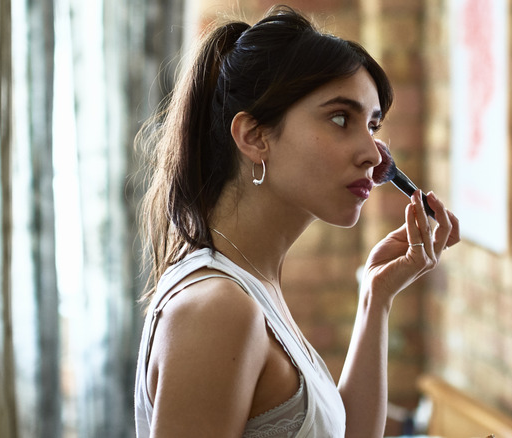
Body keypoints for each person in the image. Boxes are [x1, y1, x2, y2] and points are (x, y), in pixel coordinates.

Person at [134, 5, 460, 437]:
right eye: (341, 118)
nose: (373, 153)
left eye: (373, 125)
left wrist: (376, 297)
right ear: (254, 136)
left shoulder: (252, 285)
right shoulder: (217, 310)